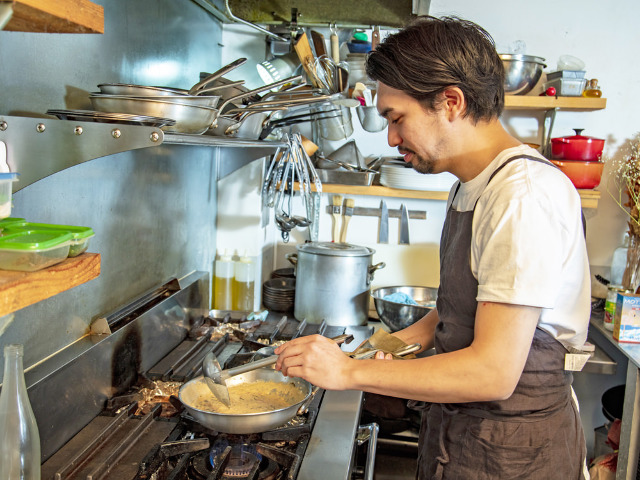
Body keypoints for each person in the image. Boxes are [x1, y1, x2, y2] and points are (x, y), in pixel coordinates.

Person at [275, 15, 591, 479]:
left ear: (450, 102)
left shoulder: (522, 195)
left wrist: (347, 373)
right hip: (466, 437)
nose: (391, 139)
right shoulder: (473, 187)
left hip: (515, 454)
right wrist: (379, 348)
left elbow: (492, 373)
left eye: (396, 118)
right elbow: (456, 310)